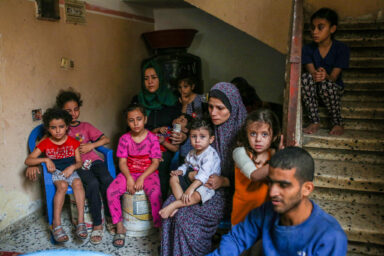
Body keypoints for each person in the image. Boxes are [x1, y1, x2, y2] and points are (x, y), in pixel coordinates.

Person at [208, 147, 348, 256]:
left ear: (307, 188)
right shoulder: (265, 211)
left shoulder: (330, 236)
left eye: (283, 185)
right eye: (271, 182)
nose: (272, 192)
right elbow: (236, 239)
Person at [161, 82, 247, 256]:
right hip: (198, 183)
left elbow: (250, 177)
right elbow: (189, 156)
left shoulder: (245, 134)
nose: (213, 113)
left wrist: (224, 181)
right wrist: (189, 170)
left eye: (220, 108)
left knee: (184, 219)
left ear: (233, 106)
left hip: (225, 193)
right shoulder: (206, 126)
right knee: (169, 207)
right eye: (211, 107)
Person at [55, 88, 114, 244]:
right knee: (93, 184)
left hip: (94, 160)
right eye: (68, 111)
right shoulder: (60, 129)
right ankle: (97, 224)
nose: (73, 114)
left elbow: (105, 139)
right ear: (61, 111)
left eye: (76, 109)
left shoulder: (86, 126)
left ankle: (110, 216)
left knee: (107, 179)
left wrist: (90, 146)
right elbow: (45, 145)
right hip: (77, 164)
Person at [25, 108, 87, 243]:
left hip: (70, 170)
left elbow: (79, 162)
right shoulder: (45, 143)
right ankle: (56, 224)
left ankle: (80, 222)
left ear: (67, 127)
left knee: (77, 183)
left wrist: (72, 167)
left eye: (61, 127)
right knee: (62, 186)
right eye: (53, 128)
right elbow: (28, 160)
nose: (58, 130)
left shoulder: (73, 142)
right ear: (48, 128)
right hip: (56, 172)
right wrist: (45, 159)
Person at [107, 103, 162, 248]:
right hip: (129, 172)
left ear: (145, 119)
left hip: (148, 172)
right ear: (127, 121)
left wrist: (142, 177)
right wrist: (130, 178)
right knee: (111, 191)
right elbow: (122, 162)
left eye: (139, 119)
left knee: (155, 193)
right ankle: (120, 226)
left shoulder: (152, 138)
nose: (136, 123)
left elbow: (155, 163)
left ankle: (159, 226)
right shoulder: (124, 139)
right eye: (131, 120)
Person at [132, 60, 180, 201]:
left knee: (161, 165)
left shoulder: (171, 101)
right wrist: (153, 132)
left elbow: (178, 126)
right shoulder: (137, 100)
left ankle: (160, 205)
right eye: (146, 79)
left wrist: (176, 136)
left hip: (164, 146)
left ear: (161, 78)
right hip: (141, 143)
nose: (150, 82)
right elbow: (129, 127)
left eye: (154, 77)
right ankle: (139, 208)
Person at [159, 119, 220, 219]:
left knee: (198, 195)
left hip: (205, 184)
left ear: (211, 139)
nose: (197, 140)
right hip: (191, 180)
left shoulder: (210, 155)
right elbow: (186, 165)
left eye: (202, 137)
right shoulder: (192, 152)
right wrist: (180, 171)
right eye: (193, 136)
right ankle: (181, 203)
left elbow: (204, 175)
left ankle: (175, 205)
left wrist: (191, 189)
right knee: (173, 178)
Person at [301, 8, 350, 136]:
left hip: (332, 89)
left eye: (320, 27)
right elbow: (311, 72)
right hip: (313, 88)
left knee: (325, 84)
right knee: (305, 77)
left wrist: (326, 76)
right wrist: (316, 74)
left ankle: (337, 122)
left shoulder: (341, 49)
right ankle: (314, 121)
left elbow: (334, 77)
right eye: (312, 28)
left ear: (332, 29)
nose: (314, 32)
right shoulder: (307, 49)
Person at [231, 109, 281, 225]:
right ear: (246, 134)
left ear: (274, 137)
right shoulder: (240, 152)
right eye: (253, 133)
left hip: (265, 218)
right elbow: (254, 175)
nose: (258, 139)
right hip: (241, 218)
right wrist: (280, 158)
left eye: (265, 134)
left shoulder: (272, 154)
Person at [177, 76, 207, 164]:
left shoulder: (201, 98)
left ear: (192, 87)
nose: (182, 90)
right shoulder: (179, 101)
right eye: (180, 87)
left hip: (199, 131)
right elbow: (180, 120)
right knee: (186, 158)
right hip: (186, 133)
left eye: (185, 87)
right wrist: (184, 104)